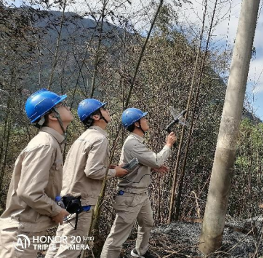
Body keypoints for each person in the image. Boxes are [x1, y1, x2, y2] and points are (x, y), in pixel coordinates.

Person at [45, 98, 128, 258]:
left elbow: (81, 168)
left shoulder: (83, 138)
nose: (107, 111)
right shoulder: (99, 139)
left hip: (67, 199)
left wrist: (107, 168)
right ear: (96, 117)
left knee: (58, 245)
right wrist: (115, 173)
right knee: (70, 249)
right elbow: (92, 171)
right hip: (80, 203)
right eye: (104, 109)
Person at [0, 89, 73, 258]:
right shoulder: (45, 145)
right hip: (20, 234)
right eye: (61, 104)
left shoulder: (50, 143)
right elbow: (29, 192)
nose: (67, 107)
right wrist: (56, 211)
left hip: (27, 230)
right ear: (52, 116)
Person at [100, 108, 176, 258]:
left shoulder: (137, 142)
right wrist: (168, 145)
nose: (146, 121)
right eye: (144, 119)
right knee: (117, 236)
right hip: (130, 195)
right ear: (136, 123)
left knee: (147, 223)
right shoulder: (132, 144)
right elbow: (155, 159)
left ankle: (139, 252)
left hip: (140, 193)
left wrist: (154, 168)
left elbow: (140, 164)